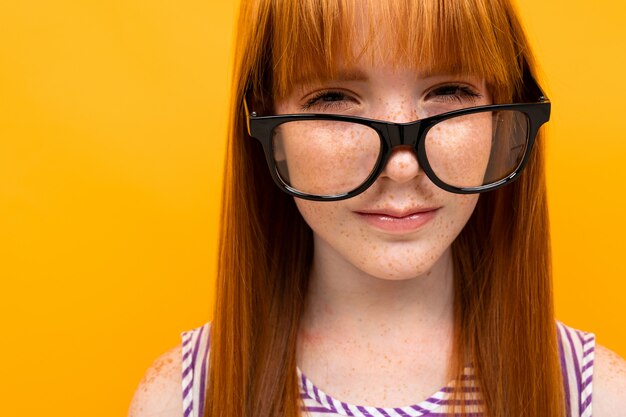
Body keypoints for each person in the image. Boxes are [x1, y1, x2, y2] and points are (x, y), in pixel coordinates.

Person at [128, 0, 626, 416]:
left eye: (449, 91)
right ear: (270, 132)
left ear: (502, 117)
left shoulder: (597, 398)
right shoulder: (181, 399)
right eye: (333, 98)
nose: (403, 167)